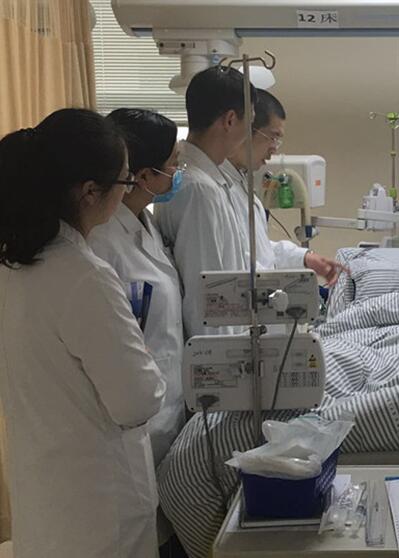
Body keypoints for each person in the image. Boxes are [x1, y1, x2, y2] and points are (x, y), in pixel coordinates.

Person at [0, 109, 166, 557]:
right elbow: (137, 400)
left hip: (45, 495)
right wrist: (146, 359)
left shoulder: (13, 266)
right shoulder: (84, 276)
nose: (128, 192)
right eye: (126, 181)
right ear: (91, 191)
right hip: (99, 506)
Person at [87, 108, 185, 467]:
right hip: (134, 423)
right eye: (173, 163)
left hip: (169, 409)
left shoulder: (147, 223)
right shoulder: (99, 242)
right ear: (143, 176)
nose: (179, 171)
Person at [154, 65, 254, 337]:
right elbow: (206, 299)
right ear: (230, 120)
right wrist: (221, 357)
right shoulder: (197, 189)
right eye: (250, 122)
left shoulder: (204, 179)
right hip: (214, 347)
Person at [221, 89, 343, 283]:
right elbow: (237, 264)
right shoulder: (215, 189)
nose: (275, 148)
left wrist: (306, 258)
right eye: (273, 137)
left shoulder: (241, 184)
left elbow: (260, 251)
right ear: (245, 130)